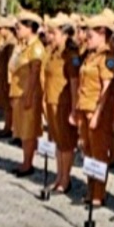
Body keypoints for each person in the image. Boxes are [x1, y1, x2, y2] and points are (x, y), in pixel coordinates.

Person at [74, 15, 114, 206]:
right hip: (85, 108)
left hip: (96, 111)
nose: (86, 38)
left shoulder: (107, 58)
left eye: (90, 35)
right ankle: (90, 188)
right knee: (88, 151)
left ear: (103, 34)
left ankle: (99, 193)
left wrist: (98, 114)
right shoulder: (90, 55)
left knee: (99, 153)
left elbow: (107, 90)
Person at [43, 14, 80, 194]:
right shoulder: (53, 53)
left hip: (64, 104)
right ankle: (59, 176)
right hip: (52, 102)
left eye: (53, 33)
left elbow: (74, 83)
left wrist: (74, 109)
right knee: (58, 142)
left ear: (64, 34)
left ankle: (66, 179)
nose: (50, 36)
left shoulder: (71, 56)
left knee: (66, 144)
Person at [10, 12, 46, 176]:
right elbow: (12, 67)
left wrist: (30, 95)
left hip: (28, 93)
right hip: (20, 92)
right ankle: (25, 161)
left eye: (19, 27)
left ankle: (28, 164)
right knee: (22, 130)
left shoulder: (36, 48)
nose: (16, 30)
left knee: (28, 130)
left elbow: (34, 75)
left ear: (30, 28)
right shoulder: (23, 47)